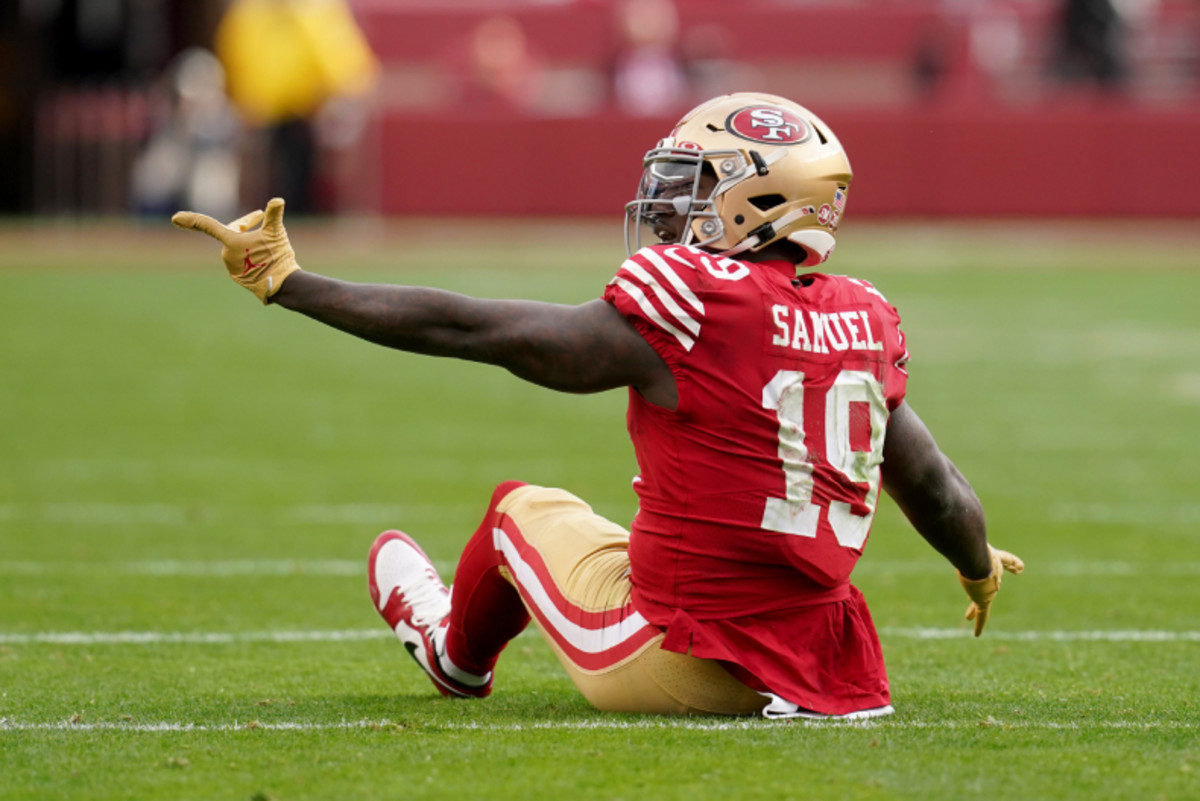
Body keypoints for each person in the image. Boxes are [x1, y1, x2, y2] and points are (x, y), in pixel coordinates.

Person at [172, 92, 1023, 720]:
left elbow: (475, 329)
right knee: (595, 523)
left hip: (686, 651)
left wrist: (292, 284)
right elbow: (935, 485)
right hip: (833, 664)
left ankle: (452, 656)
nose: (668, 202)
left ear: (758, 201)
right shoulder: (863, 314)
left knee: (519, 510)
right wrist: (977, 563)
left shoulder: (695, 296)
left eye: (697, 182)